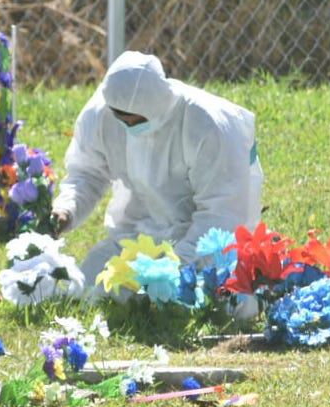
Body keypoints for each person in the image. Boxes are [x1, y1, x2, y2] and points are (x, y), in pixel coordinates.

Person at [50, 51, 263, 289]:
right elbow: (89, 172)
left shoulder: (208, 125)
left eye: (136, 119)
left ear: (156, 107)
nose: (129, 125)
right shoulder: (103, 113)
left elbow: (222, 212)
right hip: (139, 232)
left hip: (204, 239)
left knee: (210, 296)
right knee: (86, 286)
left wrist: (175, 267)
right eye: (121, 117)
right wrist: (67, 209)